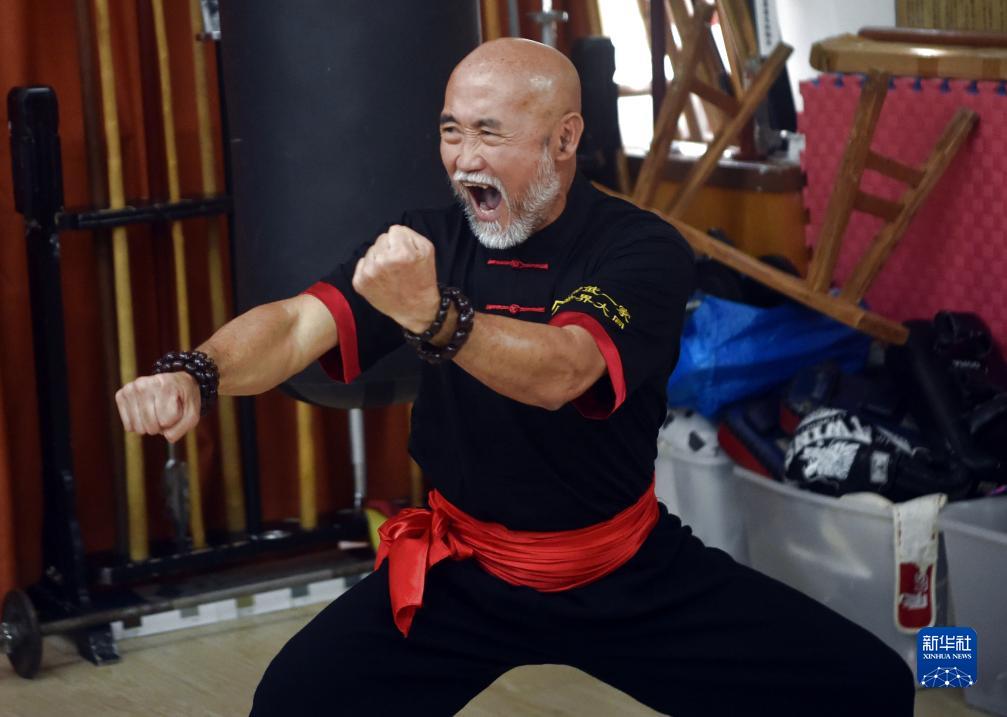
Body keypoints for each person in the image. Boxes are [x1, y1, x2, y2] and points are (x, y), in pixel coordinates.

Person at [116, 38, 915, 717]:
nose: (464, 157)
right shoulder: (429, 241)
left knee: (870, 686)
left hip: (621, 571)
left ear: (564, 138)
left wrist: (435, 318)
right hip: (460, 571)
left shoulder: (638, 249)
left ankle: (955, 655)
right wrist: (199, 371)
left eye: (488, 133)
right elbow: (297, 323)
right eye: (450, 131)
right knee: (293, 703)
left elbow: (564, 370)